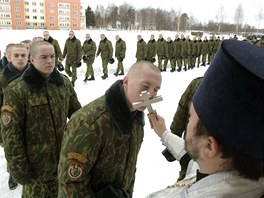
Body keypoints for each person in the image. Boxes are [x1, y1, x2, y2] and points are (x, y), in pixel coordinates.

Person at [147, 39, 264, 197]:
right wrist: (164, 134)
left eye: (191, 117)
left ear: (209, 146)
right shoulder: (243, 177)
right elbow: (190, 161)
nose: (187, 122)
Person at [57, 61, 162, 197]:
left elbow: (129, 170)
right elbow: (70, 183)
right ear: (126, 81)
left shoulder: (135, 119)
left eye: (156, 89)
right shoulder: (91, 122)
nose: (150, 94)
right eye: (145, 86)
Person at [1, 41, 81, 197]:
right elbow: (11, 136)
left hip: (62, 161)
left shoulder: (63, 83)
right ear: (32, 59)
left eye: (52, 56)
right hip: (36, 168)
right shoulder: (18, 89)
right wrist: (19, 169)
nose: (50, 61)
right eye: (44, 57)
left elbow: (78, 115)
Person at [0, 43, 30, 190]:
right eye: (16, 56)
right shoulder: (2, 78)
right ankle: (13, 174)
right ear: (9, 57)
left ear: (28, 57)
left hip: (32, 122)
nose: (20, 59)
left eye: (23, 55)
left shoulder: (34, 75)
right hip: (10, 124)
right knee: (13, 151)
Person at [162, 76, 203, 180]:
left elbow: (181, 112)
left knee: (187, 179)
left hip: (192, 149)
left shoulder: (196, 84)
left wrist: (173, 139)